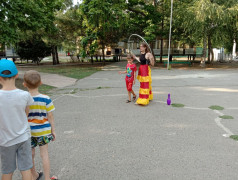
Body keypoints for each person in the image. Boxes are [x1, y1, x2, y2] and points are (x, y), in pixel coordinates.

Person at [0, 59, 34, 180]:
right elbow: (26, 113)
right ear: (16, 75)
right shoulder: (25, 95)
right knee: (25, 169)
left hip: (5, 140)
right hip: (23, 138)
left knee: (7, 171)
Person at [23, 70, 57, 180]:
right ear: (41, 82)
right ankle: (47, 178)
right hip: (43, 131)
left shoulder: (23, 98)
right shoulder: (46, 98)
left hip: (29, 132)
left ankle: (33, 176)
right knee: (44, 154)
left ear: (24, 84)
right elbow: (50, 116)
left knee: (31, 154)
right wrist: (53, 130)